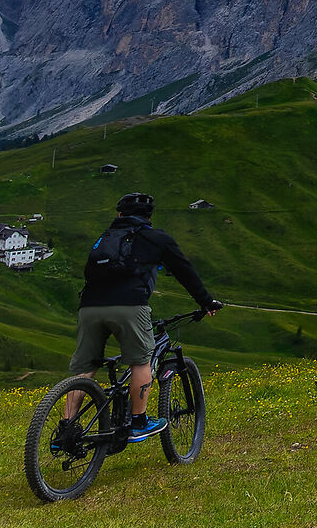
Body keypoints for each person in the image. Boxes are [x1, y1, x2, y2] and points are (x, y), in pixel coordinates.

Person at [56, 192, 219, 448]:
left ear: (119, 215)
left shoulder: (106, 238)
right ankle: (138, 422)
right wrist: (206, 302)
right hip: (130, 306)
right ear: (149, 217)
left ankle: (65, 430)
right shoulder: (157, 238)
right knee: (141, 360)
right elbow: (185, 271)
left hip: (89, 308)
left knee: (85, 367)